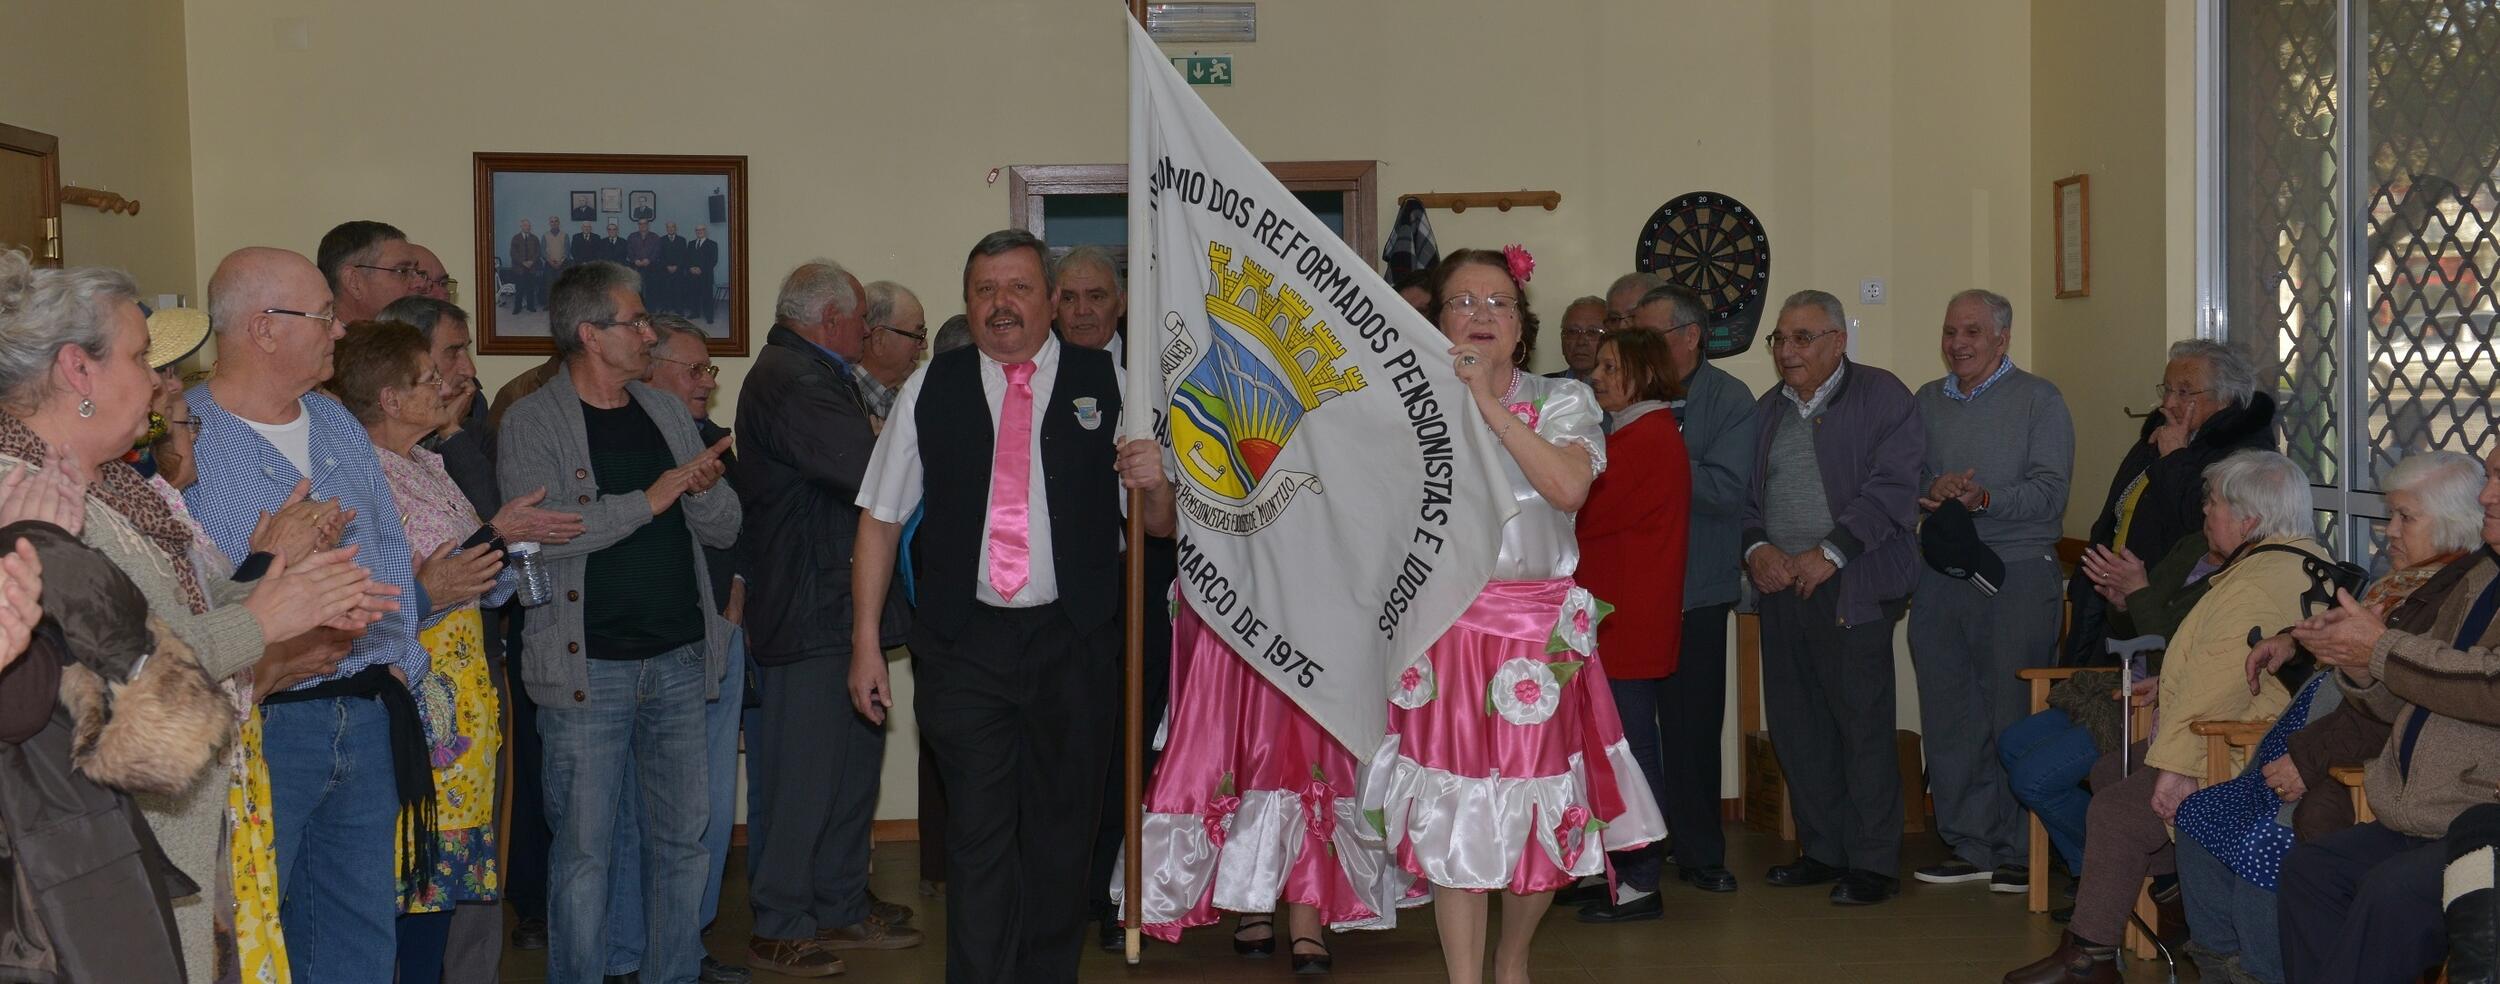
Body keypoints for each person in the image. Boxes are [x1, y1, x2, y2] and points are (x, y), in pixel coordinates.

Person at [0, 252, 402, 982]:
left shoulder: (115, 487)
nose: (160, 382)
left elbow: (167, 615)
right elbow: (98, 672)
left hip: (169, 827)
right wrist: (266, 620)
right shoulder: (21, 494)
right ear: (77, 372)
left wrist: (287, 586)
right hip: (101, 848)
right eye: (138, 358)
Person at [847, 229, 1172, 984]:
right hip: (965, 646)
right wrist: (866, 639)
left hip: (1078, 643)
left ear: (1051, 302)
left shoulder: (1114, 381)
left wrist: (1156, 482)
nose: (1001, 305)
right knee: (980, 842)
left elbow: (1156, 527)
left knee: (1062, 839)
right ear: (969, 301)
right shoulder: (934, 386)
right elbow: (880, 517)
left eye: (1019, 288)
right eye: (986, 290)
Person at [1361, 247, 1665, 984]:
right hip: (1446, 636)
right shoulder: (1404, 408)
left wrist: (1487, 404)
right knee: (1452, 812)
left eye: (1499, 303)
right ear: (1437, 322)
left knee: (1541, 810)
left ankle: (1512, 958)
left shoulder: (1564, 402)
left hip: (1536, 638)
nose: (1481, 316)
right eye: (1463, 302)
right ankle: (1465, 977)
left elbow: (1565, 488)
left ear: (1523, 330)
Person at [188, 246, 452, 984]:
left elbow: (391, 554)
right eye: (324, 317)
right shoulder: (187, 439)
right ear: (264, 329)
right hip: (263, 724)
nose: (341, 332)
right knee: (250, 934)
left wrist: (399, 660)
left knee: (361, 933)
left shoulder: (336, 425)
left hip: (367, 716)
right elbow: (184, 600)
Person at [498, 260, 741, 984]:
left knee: (682, 845)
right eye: (634, 322)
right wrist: (654, 497)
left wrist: (697, 490)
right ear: (588, 335)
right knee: (583, 855)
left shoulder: (664, 411)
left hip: (678, 659)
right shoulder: (531, 421)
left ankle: (673, 973)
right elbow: (541, 531)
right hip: (586, 672)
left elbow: (724, 528)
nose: (649, 333)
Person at [2003, 449, 2320, 984]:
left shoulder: (2252, 584)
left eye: (2212, 504)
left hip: (2240, 752)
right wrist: (2167, 685)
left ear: (2249, 520)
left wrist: (2174, 767)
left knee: (2119, 810)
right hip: (2238, 731)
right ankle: (2177, 895)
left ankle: (2089, 957)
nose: (2205, 515)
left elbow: (2217, 689)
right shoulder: (2288, 563)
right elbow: (2218, 671)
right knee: (2110, 770)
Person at [2173, 450, 2481, 984]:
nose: (2388, 531)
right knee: (2202, 815)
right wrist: (2293, 641)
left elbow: (2395, 704)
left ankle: (2262, 972)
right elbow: (2347, 640)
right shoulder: (2408, 583)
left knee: (2268, 850)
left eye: (2406, 518)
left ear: (2454, 524)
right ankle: (2222, 964)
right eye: (2391, 515)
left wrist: (2309, 760)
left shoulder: (2452, 595)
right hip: (2319, 738)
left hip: (2355, 762)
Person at [736, 261, 920, 979]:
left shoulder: (816, 375)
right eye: (858, 320)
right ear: (827, 320)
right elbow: (869, 467)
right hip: (809, 607)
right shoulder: (791, 379)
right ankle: (779, 922)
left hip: (840, 606)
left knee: (850, 765)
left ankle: (839, 902)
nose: (867, 331)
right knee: (804, 774)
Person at [331, 320, 523, 984]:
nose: (447, 386)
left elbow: (474, 579)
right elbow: (370, 594)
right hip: (411, 697)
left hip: (463, 696)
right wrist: (441, 580)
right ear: (388, 398)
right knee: (407, 884)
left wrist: (505, 549)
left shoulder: (426, 463)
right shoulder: (361, 475)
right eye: (428, 379)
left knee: (442, 886)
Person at [2273, 443, 2500, 984]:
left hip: (2481, 817)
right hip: (2417, 809)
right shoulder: (2479, 579)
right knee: (2312, 871)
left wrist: (2378, 648)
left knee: (2389, 894)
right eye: (2489, 476)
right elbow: (2402, 696)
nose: (2487, 495)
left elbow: (2490, 684)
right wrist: (2355, 665)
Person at [1742, 289, 1924, 906]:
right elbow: (1744, 498)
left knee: (1861, 723)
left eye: (1803, 338)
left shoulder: (1882, 396)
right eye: (1780, 340)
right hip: (1780, 587)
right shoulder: (1767, 410)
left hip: (1853, 586)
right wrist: (1757, 550)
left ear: (1839, 340)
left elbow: (1895, 488)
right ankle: (1823, 849)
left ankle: (1873, 862)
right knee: (1797, 725)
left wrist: (1831, 553)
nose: (1788, 351)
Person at [601, 315, 755, 984]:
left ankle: (683, 951)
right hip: (655, 646)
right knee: (645, 814)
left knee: (709, 810)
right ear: (648, 372)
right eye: (693, 370)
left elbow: (741, 525)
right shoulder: (628, 436)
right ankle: (631, 956)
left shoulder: (711, 442)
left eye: (709, 370)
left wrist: (740, 591)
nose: (707, 382)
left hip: (721, 635)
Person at [1907, 289, 2076, 894]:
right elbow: (1904, 479)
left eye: (1973, 332)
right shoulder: (1926, 401)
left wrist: (1986, 499)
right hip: (1941, 574)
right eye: (1951, 331)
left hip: (2017, 573)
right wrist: (1935, 488)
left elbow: (2052, 494)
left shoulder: (2040, 400)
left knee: (2012, 712)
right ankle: (1967, 841)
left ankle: (2017, 848)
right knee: (1949, 711)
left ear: (2003, 338)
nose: (1958, 344)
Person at [1568, 328, 1692, 923]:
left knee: (1632, 750)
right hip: (1619, 614)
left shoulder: (1645, 438)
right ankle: (1615, 869)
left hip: (1627, 618)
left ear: (1642, 371)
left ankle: (1641, 878)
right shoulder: (1639, 433)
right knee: (1615, 747)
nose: (1597, 377)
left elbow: (1584, 508)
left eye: (1611, 367)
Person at [1635, 281, 1754, 895]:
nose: (1639, 348)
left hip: (1696, 592)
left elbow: (1725, 490)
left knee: (1692, 730)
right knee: (1630, 732)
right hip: (1629, 593)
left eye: (1650, 336)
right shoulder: (1622, 393)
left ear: (1689, 337)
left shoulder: (1730, 400)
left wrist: (1654, 456)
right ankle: (1636, 855)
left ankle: (1702, 852)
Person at [2065, 340, 2277, 665]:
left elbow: (2201, 524)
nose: (2167, 402)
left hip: (2164, 608)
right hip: (2113, 598)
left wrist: (2176, 457)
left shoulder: (2244, 454)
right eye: (2166, 389)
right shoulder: (2163, 435)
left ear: (2226, 397)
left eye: (2184, 392)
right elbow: (2116, 514)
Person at [319, 220, 421, 324]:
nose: (420, 283)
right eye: (402, 271)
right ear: (354, 282)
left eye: (417, 271)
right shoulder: (317, 339)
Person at [855, 280, 926, 425]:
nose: (924, 345)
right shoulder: (837, 399)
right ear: (879, 340)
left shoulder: (909, 403)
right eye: (917, 335)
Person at [1051, 244, 1124, 355]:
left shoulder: (1151, 358)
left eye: (1096, 297)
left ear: (1121, 303)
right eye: (1068, 299)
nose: (1082, 311)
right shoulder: (1040, 364)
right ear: (1054, 307)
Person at [1546, 295, 1604, 382]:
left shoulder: (1622, 392)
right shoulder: (1543, 387)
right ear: (1562, 339)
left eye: (1592, 332)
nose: (1581, 342)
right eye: (1573, 332)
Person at [512, 219, 547, 314]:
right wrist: (523, 262)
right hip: (519, 268)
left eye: (528, 226)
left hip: (532, 268)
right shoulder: (516, 238)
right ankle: (517, 307)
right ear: (521, 226)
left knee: (530, 288)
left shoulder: (535, 238)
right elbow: (513, 253)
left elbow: (538, 252)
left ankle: (530, 306)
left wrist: (532, 261)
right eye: (525, 225)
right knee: (519, 289)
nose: (527, 227)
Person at [688, 226, 720, 323]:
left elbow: (713, 260)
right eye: (697, 230)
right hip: (693, 275)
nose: (699, 231)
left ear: (705, 231)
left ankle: (709, 316)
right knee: (694, 295)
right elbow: (687, 258)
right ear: (695, 232)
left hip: (706, 275)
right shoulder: (691, 244)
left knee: (707, 297)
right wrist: (691, 268)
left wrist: (701, 269)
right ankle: (695, 313)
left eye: (701, 230)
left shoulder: (713, 244)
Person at [658, 222, 689, 315]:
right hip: (665, 269)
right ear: (666, 229)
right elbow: (660, 255)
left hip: (678, 269)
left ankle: (679, 308)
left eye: (672, 227)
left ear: (675, 228)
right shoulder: (661, 240)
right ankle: (666, 307)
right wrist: (667, 266)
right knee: (665, 289)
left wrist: (677, 266)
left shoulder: (682, 240)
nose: (670, 229)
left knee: (678, 289)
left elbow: (684, 255)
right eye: (668, 227)